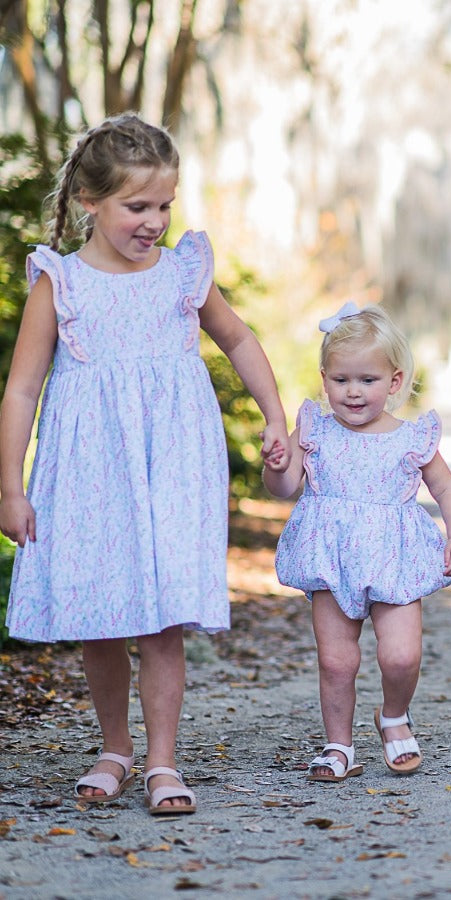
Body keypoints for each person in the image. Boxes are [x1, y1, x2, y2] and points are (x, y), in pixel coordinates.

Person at [0, 113, 290, 815]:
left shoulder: (182, 274)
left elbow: (239, 339)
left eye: (164, 204)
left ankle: (162, 760)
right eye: (137, 206)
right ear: (89, 202)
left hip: (172, 468)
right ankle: (114, 747)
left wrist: (276, 414)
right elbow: (22, 387)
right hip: (90, 474)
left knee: (161, 618)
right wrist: (10, 485)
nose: (155, 221)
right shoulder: (60, 282)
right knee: (101, 616)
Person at [264, 302, 451, 781]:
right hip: (331, 561)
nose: (353, 392)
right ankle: (339, 747)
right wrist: (276, 465)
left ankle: (393, 715)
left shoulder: (411, 437)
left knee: (401, 655)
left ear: (394, 382)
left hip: (394, 559)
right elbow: (285, 487)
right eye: (341, 380)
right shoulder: (314, 430)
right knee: (337, 661)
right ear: (325, 379)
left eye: (367, 381)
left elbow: (446, 488)